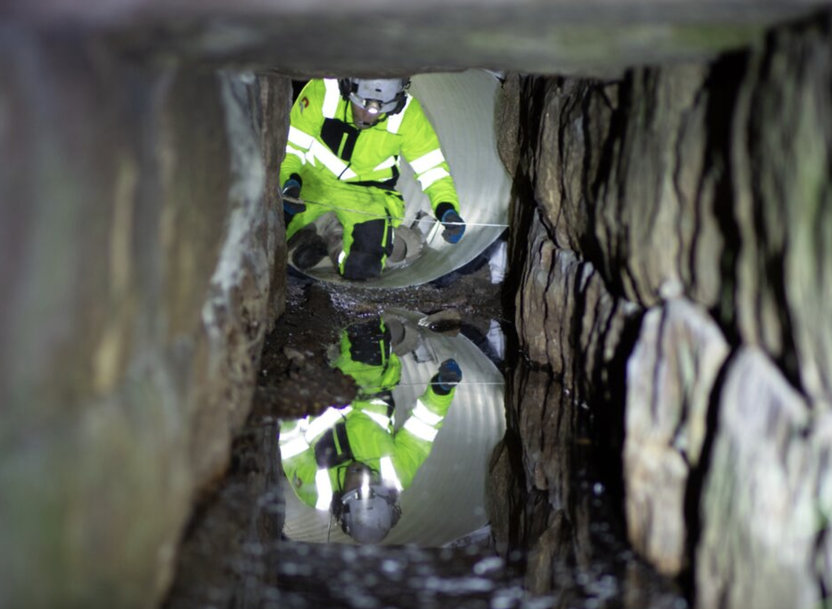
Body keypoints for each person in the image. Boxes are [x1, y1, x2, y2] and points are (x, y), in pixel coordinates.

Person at [278, 316, 463, 543]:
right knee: (366, 338)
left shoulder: (315, 490)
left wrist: (294, 398)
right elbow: (422, 428)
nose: (364, 477)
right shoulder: (397, 475)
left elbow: (290, 444)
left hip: (316, 397)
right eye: (374, 485)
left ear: (342, 502)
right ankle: (365, 319)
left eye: (357, 489)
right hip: (365, 384)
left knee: (286, 353)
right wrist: (441, 390)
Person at [280, 77, 466, 280]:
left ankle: (338, 236)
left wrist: (447, 209)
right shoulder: (323, 91)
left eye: (381, 109)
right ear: (347, 88)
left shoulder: (408, 115)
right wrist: (289, 185)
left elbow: (432, 168)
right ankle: (329, 232)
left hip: (370, 197)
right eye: (362, 105)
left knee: (363, 266)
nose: (368, 116)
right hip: (313, 187)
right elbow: (290, 148)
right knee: (276, 246)